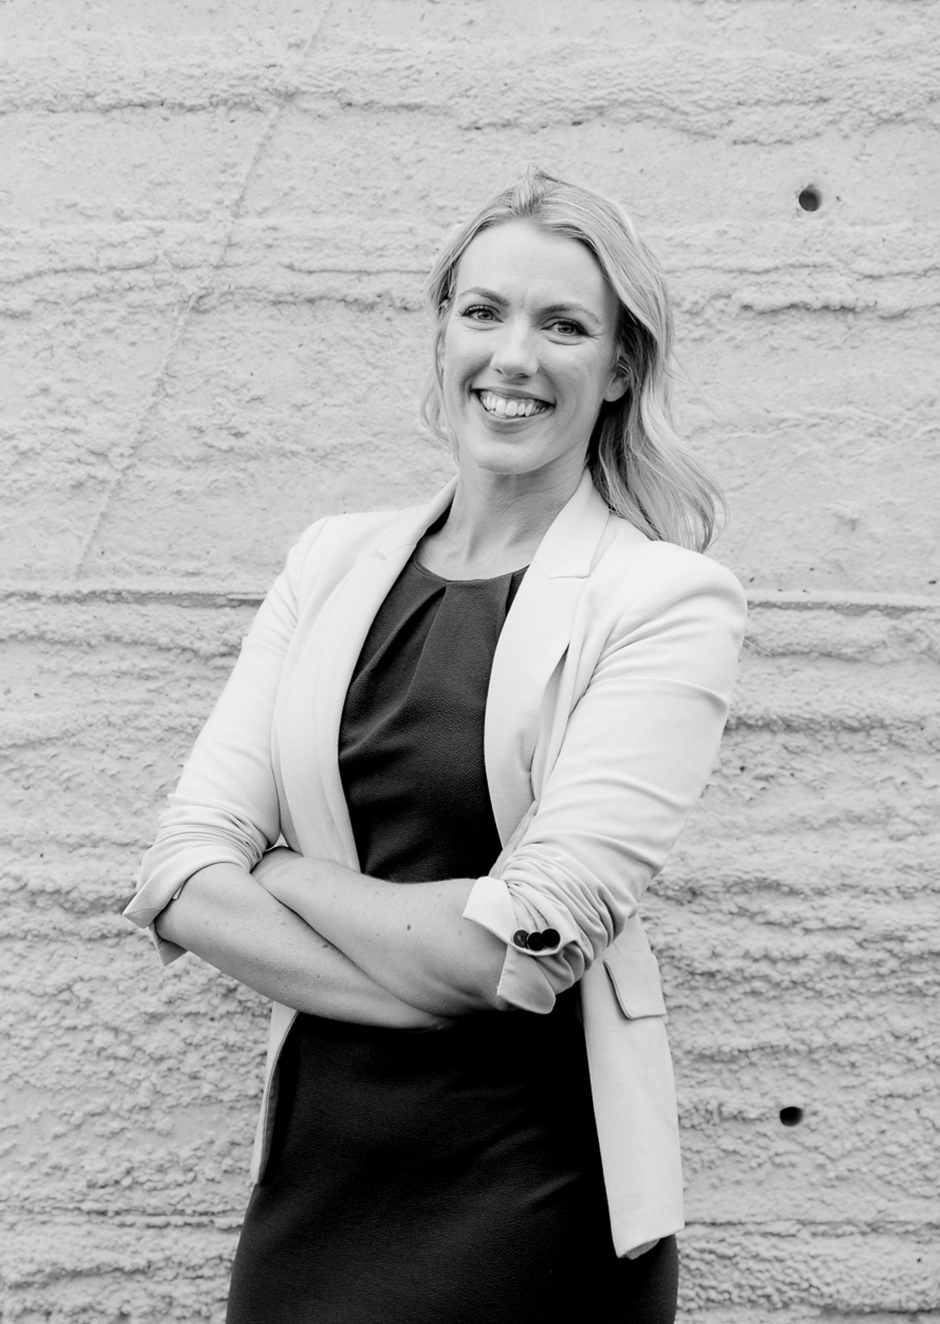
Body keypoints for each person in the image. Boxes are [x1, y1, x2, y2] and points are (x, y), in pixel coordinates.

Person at [124, 165, 747, 1324]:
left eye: (563, 325)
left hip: (534, 1200)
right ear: (442, 331)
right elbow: (177, 876)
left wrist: (284, 873)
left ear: (617, 369)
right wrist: (444, 973)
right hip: (319, 1181)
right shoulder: (330, 561)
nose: (513, 355)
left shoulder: (664, 599)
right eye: (482, 311)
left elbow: (520, 943)